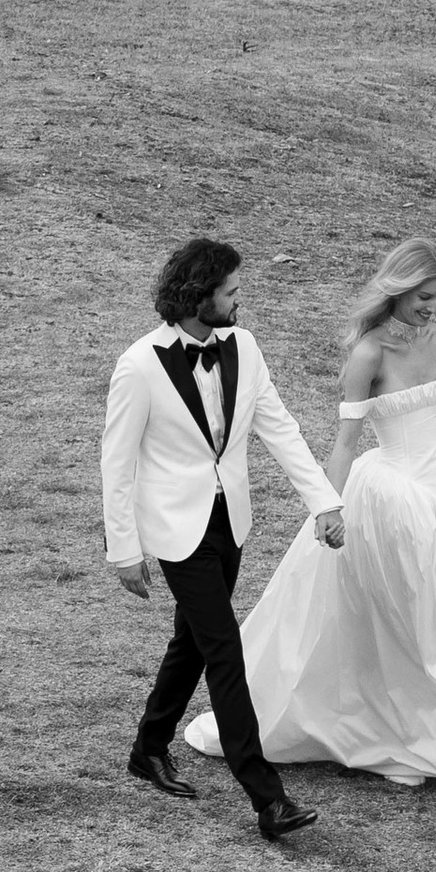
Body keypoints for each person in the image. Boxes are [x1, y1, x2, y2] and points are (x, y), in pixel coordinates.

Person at [185, 236, 436, 809]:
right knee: (421, 626)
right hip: (394, 502)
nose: (433, 308)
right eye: (424, 297)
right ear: (398, 289)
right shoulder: (369, 354)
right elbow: (345, 444)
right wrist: (327, 506)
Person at [100, 234, 347, 841]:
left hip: (228, 520)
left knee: (192, 642)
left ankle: (148, 747)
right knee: (224, 650)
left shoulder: (246, 348)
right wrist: (124, 549)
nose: (240, 300)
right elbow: (117, 463)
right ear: (197, 296)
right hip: (175, 530)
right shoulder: (139, 365)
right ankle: (268, 798)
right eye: (231, 291)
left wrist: (323, 501)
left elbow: (280, 429)